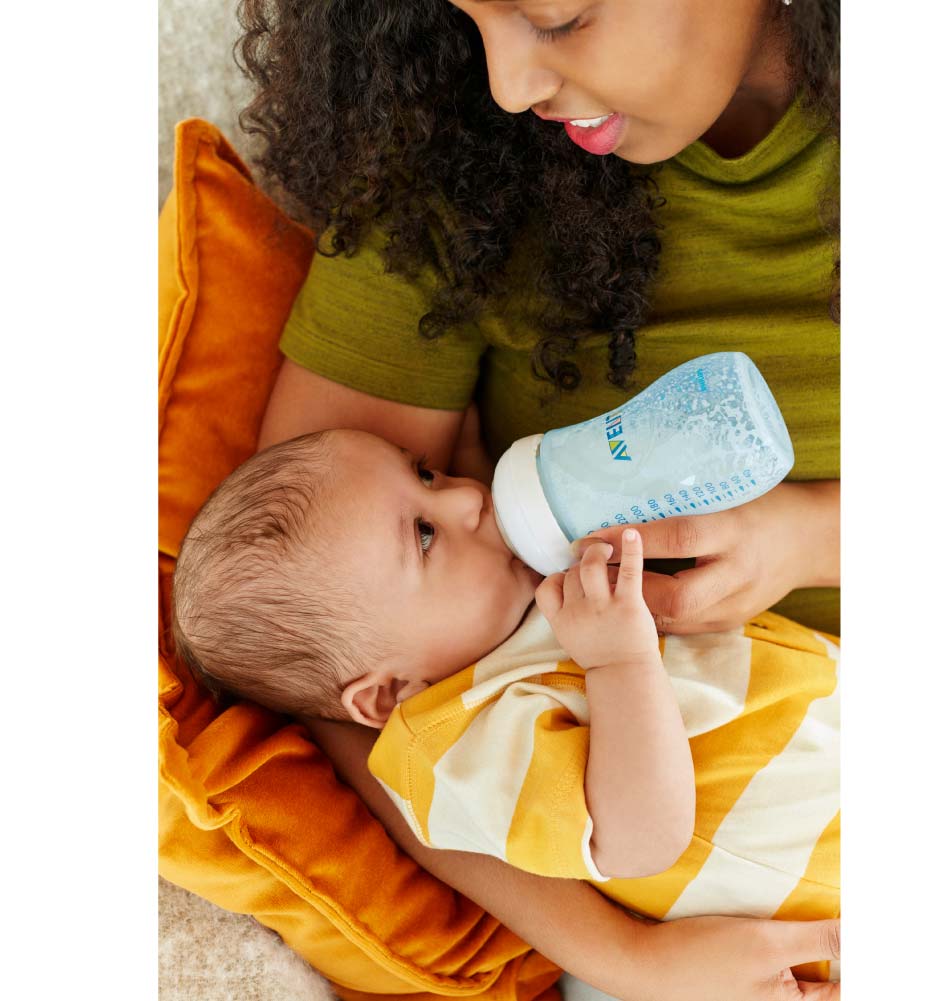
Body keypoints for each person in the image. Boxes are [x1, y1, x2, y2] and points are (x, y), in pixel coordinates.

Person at [231, 0, 841, 995]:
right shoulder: (448, 154)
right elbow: (320, 657)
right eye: (468, 18)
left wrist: (815, 538)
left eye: (555, 17)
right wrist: (625, 957)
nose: (508, 86)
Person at [171, 428, 839, 981]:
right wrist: (620, 663)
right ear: (387, 691)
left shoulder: (511, 599)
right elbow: (639, 842)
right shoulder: (455, 747)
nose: (468, 496)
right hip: (818, 883)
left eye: (424, 472)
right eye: (424, 534)